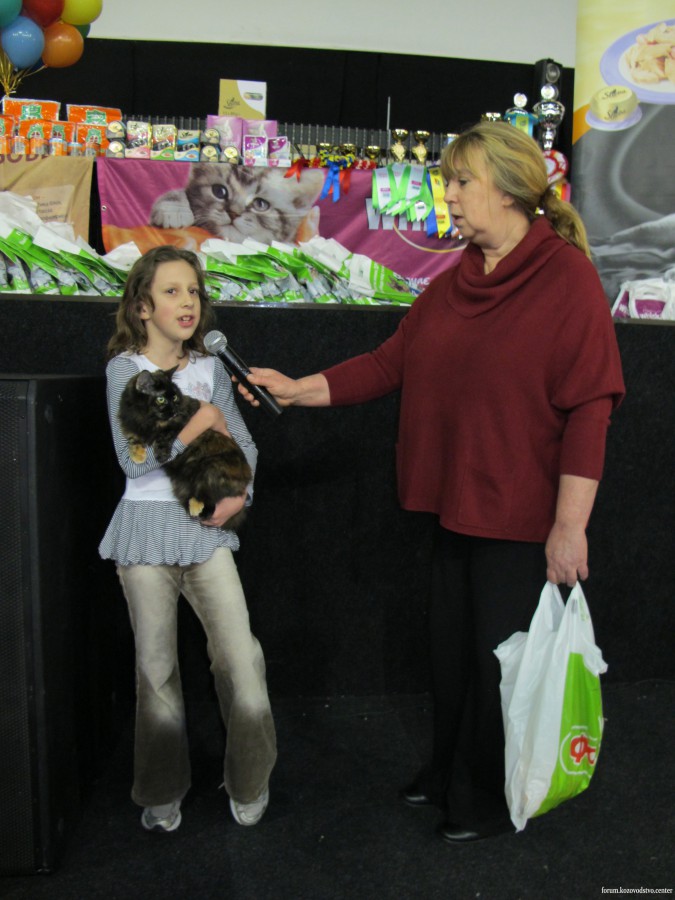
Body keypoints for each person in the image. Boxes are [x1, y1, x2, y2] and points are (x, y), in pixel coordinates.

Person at [235, 121, 625, 842]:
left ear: (508, 190)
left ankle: (482, 797)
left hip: (520, 516)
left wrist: (569, 527)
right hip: (456, 507)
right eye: (448, 181)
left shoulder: (565, 278)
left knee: (495, 664)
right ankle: (447, 771)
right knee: (450, 656)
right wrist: (297, 388)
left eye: (460, 182)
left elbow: (590, 408)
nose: (448, 195)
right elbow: (389, 364)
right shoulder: (458, 281)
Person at [99, 245, 276, 833]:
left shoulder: (209, 366)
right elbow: (132, 459)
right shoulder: (125, 370)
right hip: (143, 535)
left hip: (204, 533)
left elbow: (244, 444)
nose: (187, 302)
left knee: (241, 659)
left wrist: (240, 496)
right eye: (171, 291)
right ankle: (160, 789)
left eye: (193, 291)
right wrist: (201, 424)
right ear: (142, 306)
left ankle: (249, 780)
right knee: (156, 672)